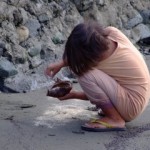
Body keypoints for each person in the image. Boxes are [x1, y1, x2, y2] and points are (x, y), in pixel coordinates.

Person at [45, 21, 150, 132]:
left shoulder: (99, 61)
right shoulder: (113, 33)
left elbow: (93, 84)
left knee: (84, 74)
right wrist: (73, 93)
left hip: (131, 106)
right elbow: (102, 90)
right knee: (88, 73)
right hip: (138, 98)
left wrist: (64, 62)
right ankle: (114, 112)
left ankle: (115, 119)